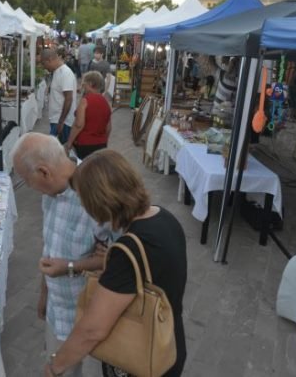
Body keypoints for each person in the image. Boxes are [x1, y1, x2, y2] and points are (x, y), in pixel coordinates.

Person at [44, 150, 188, 377]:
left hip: (140, 356)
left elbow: (92, 329)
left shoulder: (129, 251)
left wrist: (55, 365)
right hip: (168, 342)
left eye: (84, 200)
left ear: (99, 201)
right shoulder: (165, 218)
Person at [11, 132, 112, 377]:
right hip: (58, 311)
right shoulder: (52, 194)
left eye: (27, 180)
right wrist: (44, 292)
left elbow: (114, 260)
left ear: (44, 172)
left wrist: (69, 266)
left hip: (86, 319)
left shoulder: (96, 196)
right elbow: (50, 246)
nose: (31, 188)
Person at [64, 71, 112, 159]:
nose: (82, 87)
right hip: (101, 145)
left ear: (90, 84)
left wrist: (69, 143)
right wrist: (104, 141)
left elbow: (78, 125)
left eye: (84, 84)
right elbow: (108, 128)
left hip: (85, 144)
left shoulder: (85, 101)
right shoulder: (106, 102)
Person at [41, 48, 77, 143]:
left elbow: (69, 98)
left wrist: (61, 121)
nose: (44, 67)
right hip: (57, 119)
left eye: (44, 63)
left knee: (58, 150)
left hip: (63, 121)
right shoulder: (57, 72)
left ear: (50, 59)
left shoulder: (65, 73)